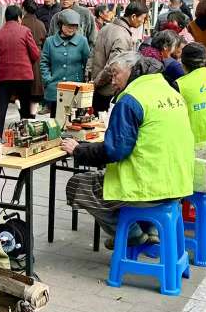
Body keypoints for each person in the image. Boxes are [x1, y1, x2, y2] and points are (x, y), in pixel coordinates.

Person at [62, 55, 194, 244]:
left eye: (115, 74)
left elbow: (115, 150)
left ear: (131, 68)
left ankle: (130, 234)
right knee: (107, 177)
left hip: (148, 189)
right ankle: (150, 228)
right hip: (179, 184)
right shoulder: (171, 92)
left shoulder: (131, 99)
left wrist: (78, 150)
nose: (112, 80)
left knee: (78, 185)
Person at [0, 5, 40, 142]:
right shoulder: (25, 31)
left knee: (2, 107)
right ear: (19, 18)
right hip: (23, 75)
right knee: (24, 107)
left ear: (6, 18)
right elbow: (35, 54)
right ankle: (25, 135)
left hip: (5, 76)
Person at [89, 0, 148, 113]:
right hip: (109, 90)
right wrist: (95, 83)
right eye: (143, 18)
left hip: (97, 86)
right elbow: (113, 67)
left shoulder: (106, 28)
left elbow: (92, 56)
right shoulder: (122, 36)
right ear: (133, 17)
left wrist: (92, 82)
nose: (143, 22)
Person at [41, 9, 90, 115]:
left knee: (74, 121)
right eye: (69, 26)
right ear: (60, 25)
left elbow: (88, 63)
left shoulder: (82, 41)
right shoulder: (49, 42)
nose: (72, 29)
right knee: (56, 120)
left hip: (76, 88)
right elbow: (44, 63)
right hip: (55, 88)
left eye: (75, 26)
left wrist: (85, 81)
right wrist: (48, 79)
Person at [21, 0, 47, 114]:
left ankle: (24, 115)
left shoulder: (21, 24)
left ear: (23, 9)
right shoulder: (40, 24)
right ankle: (32, 116)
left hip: (23, 56)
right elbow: (45, 39)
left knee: (22, 90)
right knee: (36, 90)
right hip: (38, 56)